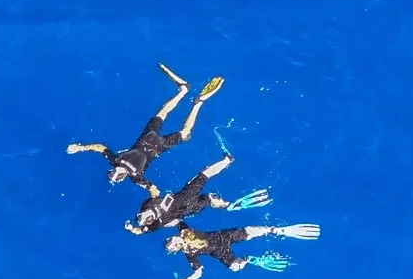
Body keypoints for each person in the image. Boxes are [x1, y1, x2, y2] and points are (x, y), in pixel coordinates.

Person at [66, 64, 224, 189]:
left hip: (159, 147)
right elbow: (100, 147)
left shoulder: (137, 178)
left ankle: (198, 103)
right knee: (163, 113)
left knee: (185, 133)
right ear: (113, 171)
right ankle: (183, 90)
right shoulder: (115, 160)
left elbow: (153, 189)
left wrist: (155, 200)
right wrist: (80, 148)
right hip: (146, 137)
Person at [125, 152, 271, 235]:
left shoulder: (148, 208)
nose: (140, 216)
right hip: (187, 198)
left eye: (139, 217)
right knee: (203, 175)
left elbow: (146, 226)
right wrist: (133, 229)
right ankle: (227, 161)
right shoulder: (157, 222)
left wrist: (133, 228)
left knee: (208, 198)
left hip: (190, 208)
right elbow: (142, 230)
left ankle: (228, 205)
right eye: (141, 218)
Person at [168, 222, 321, 276]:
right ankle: (248, 259)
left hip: (223, 237)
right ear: (176, 248)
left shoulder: (185, 233)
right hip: (221, 252)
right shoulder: (189, 253)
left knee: (246, 232)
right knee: (235, 267)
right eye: (172, 243)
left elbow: (178, 220)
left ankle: (273, 230)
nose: (173, 240)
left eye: (170, 240)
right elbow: (198, 270)